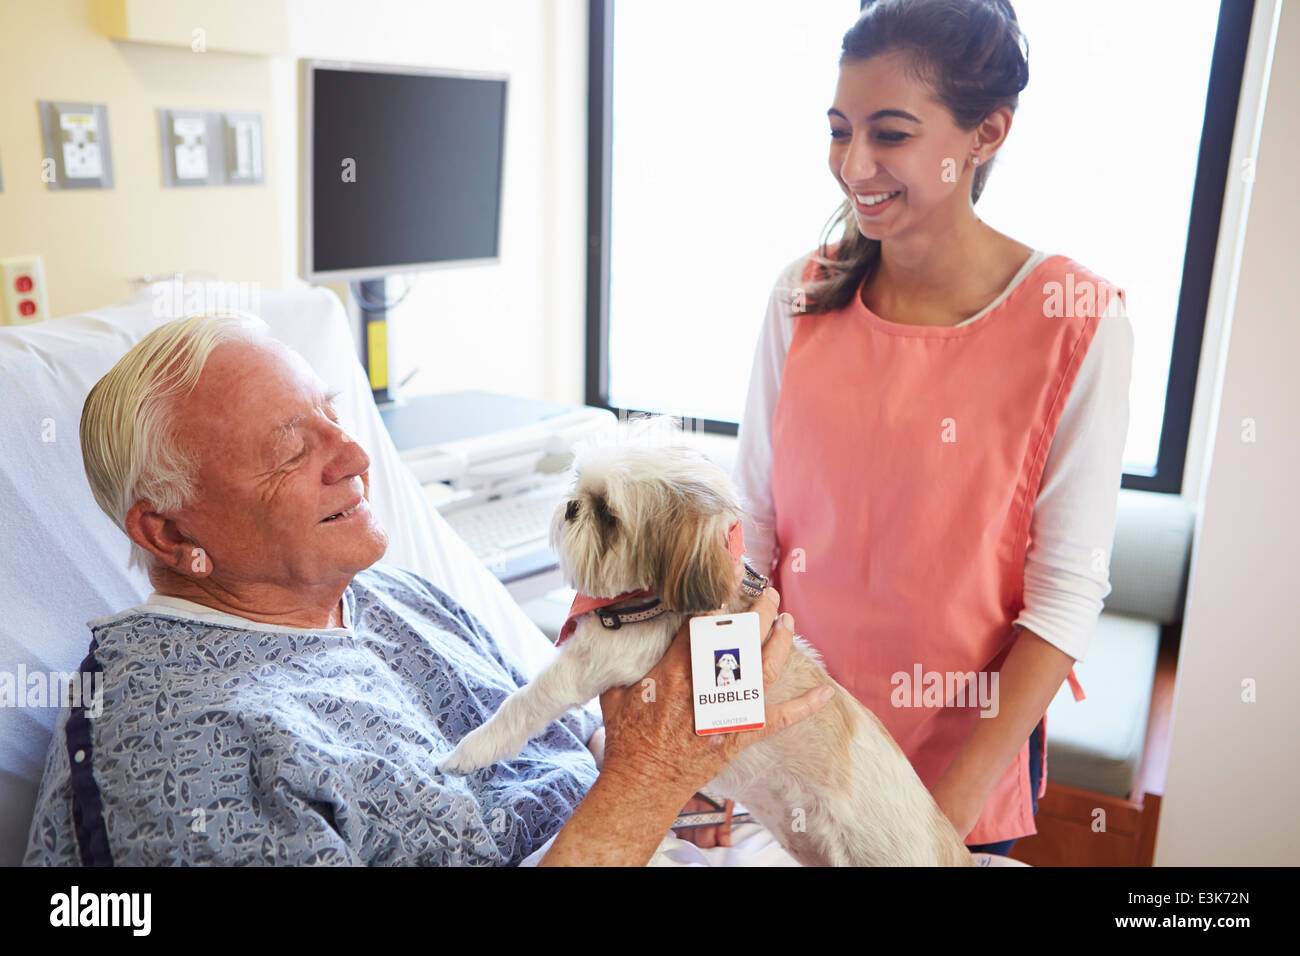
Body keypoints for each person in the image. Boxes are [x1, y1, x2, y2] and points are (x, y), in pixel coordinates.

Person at [24, 313, 828, 866]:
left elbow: (565, 751)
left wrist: (684, 759)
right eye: (290, 449)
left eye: (335, 418)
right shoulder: (170, 747)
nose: (355, 457)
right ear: (169, 534)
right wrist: (648, 776)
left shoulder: (395, 598)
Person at [734, 0, 1133, 856]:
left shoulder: (1076, 322)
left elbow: (1062, 601)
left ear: (986, 133)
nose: (853, 164)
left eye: (890, 134)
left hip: (955, 780)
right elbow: (752, 537)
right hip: (790, 754)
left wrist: (925, 832)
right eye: (840, 131)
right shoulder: (798, 297)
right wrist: (716, 741)